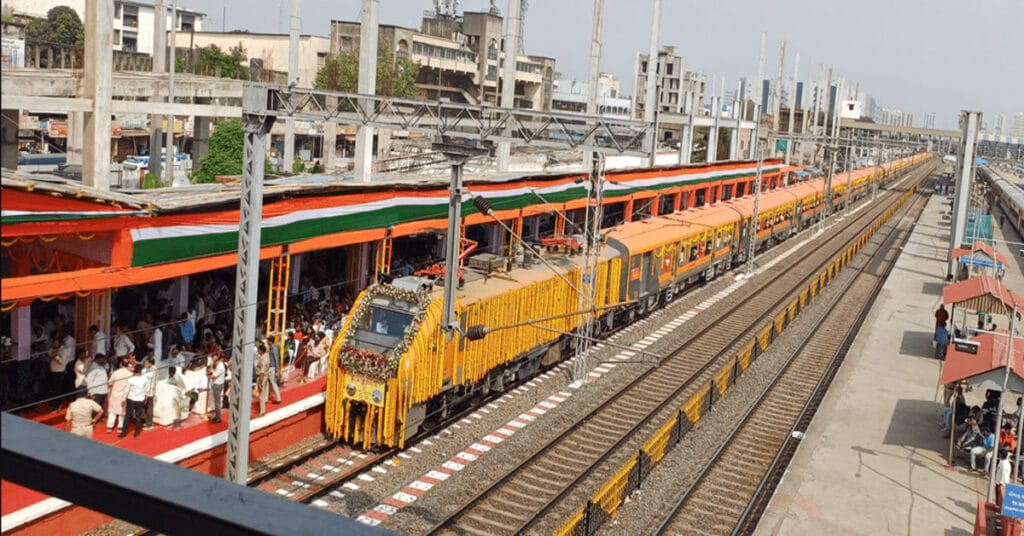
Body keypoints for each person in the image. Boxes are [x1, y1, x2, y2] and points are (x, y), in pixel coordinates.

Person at [120, 365, 147, 438]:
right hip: (140, 400)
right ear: (140, 371)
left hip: (131, 400)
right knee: (138, 417)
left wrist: (123, 399)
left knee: (128, 416)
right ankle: (136, 433)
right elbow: (146, 390)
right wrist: (145, 397)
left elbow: (126, 390)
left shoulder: (131, 380)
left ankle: (123, 433)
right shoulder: (145, 379)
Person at [106, 358, 132, 432]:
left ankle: (109, 427)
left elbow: (110, 383)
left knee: (112, 411)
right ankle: (120, 427)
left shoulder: (115, 373)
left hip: (115, 394)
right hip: (124, 395)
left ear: (121, 364)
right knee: (122, 413)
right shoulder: (130, 374)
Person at [208, 353, 226, 423]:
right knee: (216, 402)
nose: (213, 360)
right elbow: (211, 367)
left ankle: (218, 418)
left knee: (217, 402)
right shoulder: (218, 365)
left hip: (217, 385)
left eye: (214, 358)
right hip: (217, 384)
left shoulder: (220, 367)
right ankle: (217, 416)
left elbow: (213, 376)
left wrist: (209, 376)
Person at [255, 343, 271, 417]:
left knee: (261, 394)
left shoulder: (263, 359)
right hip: (265, 376)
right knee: (263, 393)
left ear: (261, 350)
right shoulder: (266, 355)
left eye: (258, 350)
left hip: (262, 376)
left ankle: (262, 411)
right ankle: (263, 407)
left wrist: (260, 381)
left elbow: (262, 371)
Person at [142, 357, 157, 429]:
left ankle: (149, 424)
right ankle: (147, 421)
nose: (145, 364)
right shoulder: (149, 370)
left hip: (149, 393)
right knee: (146, 408)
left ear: (150, 363)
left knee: (149, 408)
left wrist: (147, 394)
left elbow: (151, 383)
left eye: (146, 362)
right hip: (146, 391)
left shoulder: (152, 371)